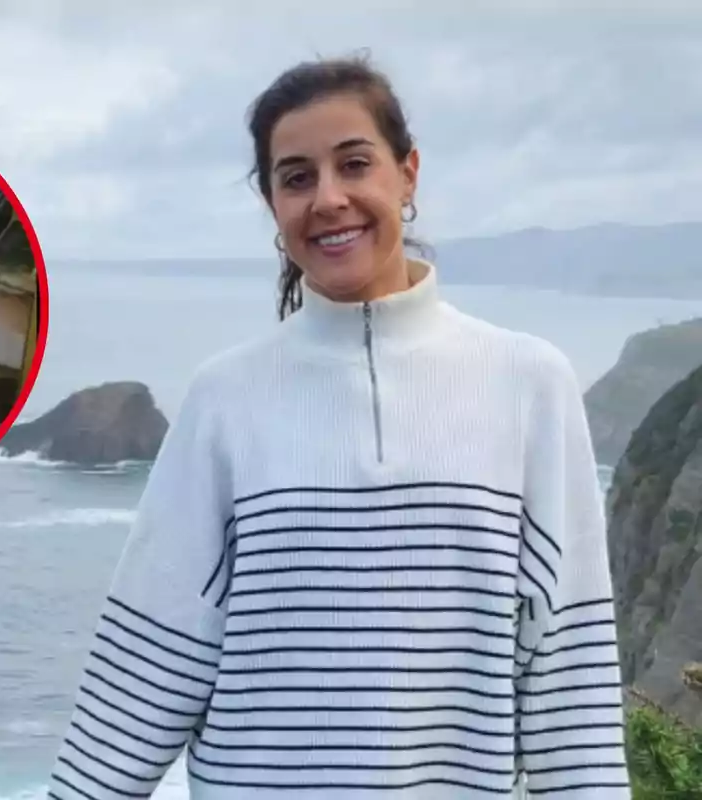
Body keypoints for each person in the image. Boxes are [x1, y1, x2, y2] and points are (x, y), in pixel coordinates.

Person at [46, 54, 630, 799]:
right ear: (273, 201)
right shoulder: (226, 398)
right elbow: (148, 663)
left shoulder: (529, 383)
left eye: (354, 164)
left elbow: (567, 675)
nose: (329, 199)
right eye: (296, 177)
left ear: (407, 173)